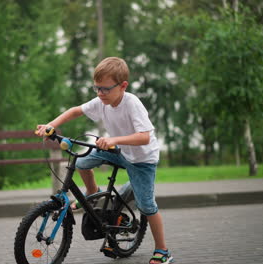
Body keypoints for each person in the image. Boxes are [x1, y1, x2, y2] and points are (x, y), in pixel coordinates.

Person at [36, 57, 173, 264]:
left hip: (142, 158)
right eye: (96, 88)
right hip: (118, 149)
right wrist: (51, 125)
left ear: (123, 86)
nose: (100, 94)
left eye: (105, 89)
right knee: (81, 163)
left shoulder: (131, 103)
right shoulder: (102, 102)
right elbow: (75, 111)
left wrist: (113, 140)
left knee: (146, 206)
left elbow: (144, 136)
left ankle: (163, 251)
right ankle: (92, 194)